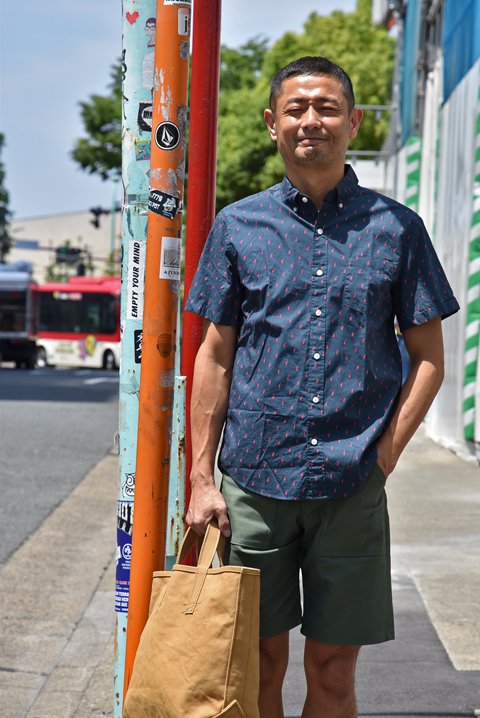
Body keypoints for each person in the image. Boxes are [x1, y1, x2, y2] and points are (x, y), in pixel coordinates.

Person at [184, 56, 459, 718]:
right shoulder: (237, 226)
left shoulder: (397, 228)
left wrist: (385, 454)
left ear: (353, 122)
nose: (312, 119)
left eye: (328, 107)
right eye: (297, 108)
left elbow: (428, 359)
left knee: (333, 671)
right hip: (253, 482)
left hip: (351, 482)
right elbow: (214, 356)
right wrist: (200, 478)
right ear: (272, 122)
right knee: (256, 665)